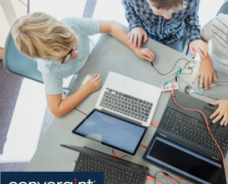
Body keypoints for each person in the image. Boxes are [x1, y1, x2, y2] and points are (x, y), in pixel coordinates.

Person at [11, 12, 155, 117]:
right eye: (65, 56)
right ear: (48, 59)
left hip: (100, 58)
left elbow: (110, 26)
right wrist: (86, 89)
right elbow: (56, 110)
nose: (76, 54)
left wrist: (136, 48)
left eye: (74, 45)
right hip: (87, 77)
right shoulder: (49, 69)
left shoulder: (71, 24)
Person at [121, 0, 208, 58]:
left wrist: (194, 38)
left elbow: (192, 16)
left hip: (174, 37)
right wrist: (136, 25)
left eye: (175, 10)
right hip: (145, 33)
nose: (168, 17)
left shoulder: (191, 1)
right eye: (158, 12)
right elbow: (128, 4)